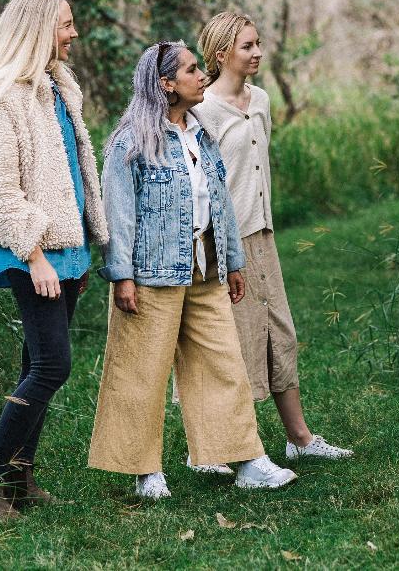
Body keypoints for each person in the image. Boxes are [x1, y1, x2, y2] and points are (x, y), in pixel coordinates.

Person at [87, 41, 297, 498]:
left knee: (223, 362)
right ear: (166, 84)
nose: (202, 75)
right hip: (151, 274)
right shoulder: (132, 141)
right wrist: (121, 275)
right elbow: (118, 213)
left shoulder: (199, 133)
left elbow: (218, 199)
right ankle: (147, 472)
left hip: (206, 266)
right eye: (191, 70)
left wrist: (234, 261)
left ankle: (246, 460)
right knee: (142, 371)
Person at [0, 0, 109, 521]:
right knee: (52, 365)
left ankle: (20, 479)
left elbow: (69, 177)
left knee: (35, 362)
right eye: (66, 24)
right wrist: (37, 255)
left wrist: (79, 253)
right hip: (27, 248)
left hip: (63, 248)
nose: (73, 34)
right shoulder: (4, 96)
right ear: (39, 28)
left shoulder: (56, 88)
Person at [191, 12, 353, 469]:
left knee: (279, 330)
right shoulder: (202, 112)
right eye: (247, 46)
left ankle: (299, 438)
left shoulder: (260, 99)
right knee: (228, 342)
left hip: (262, 234)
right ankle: (212, 448)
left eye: (258, 43)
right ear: (222, 54)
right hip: (225, 241)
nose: (258, 52)